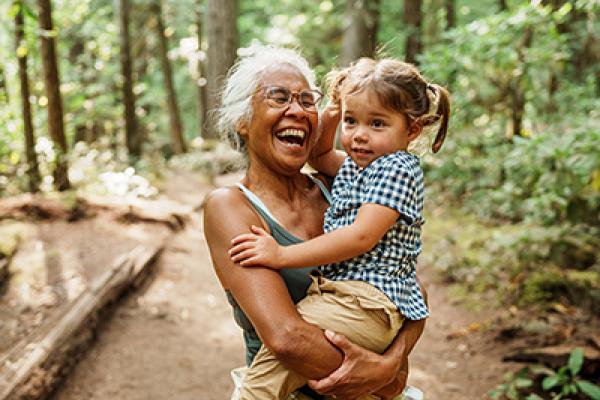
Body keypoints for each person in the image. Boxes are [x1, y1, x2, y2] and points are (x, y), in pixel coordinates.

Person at [203, 44, 426, 400]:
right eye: (278, 97)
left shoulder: (343, 185)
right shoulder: (230, 206)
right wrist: (385, 379)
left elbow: (412, 290)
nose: (297, 110)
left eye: (308, 101)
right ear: (242, 121)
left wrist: (389, 365)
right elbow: (287, 339)